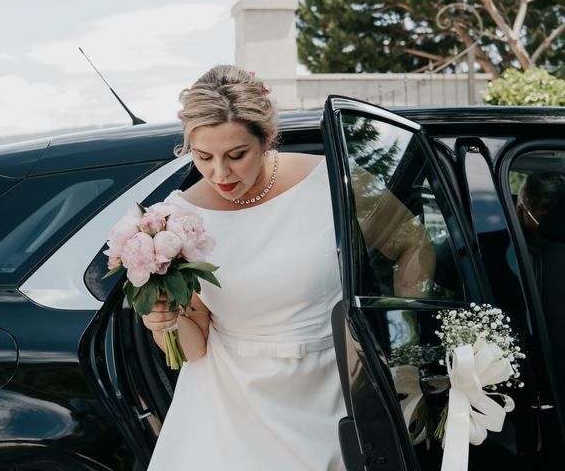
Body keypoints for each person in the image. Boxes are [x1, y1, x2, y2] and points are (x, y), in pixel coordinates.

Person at [141, 65, 435, 470]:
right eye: (204, 156)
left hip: (335, 389)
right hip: (229, 406)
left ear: (266, 139)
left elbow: (414, 246)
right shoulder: (177, 218)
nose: (219, 174)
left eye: (237, 155)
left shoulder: (332, 182)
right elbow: (196, 347)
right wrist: (164, 323)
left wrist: (406, 353)